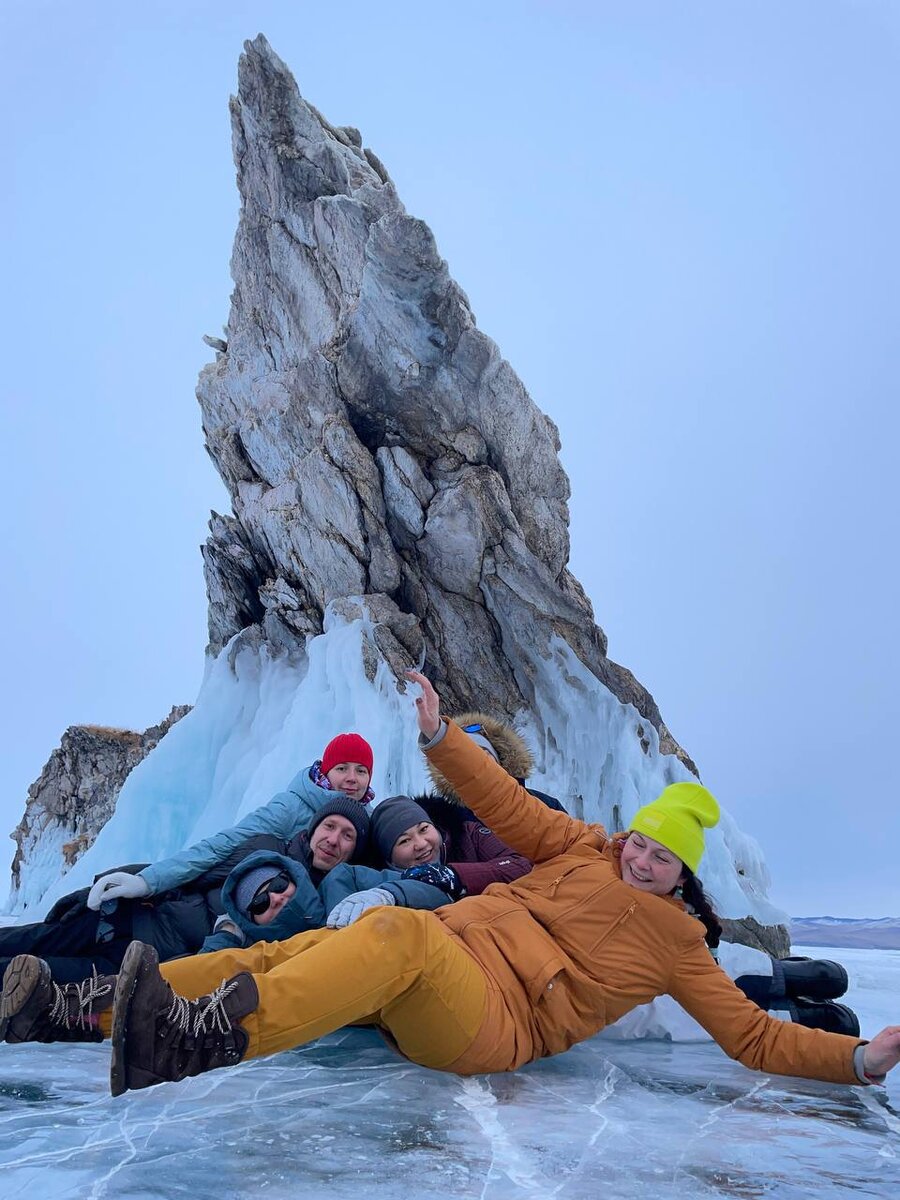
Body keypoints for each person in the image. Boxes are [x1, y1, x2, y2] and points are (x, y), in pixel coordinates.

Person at [3, 671, 899, 1098]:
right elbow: (506, 802)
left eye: (660, 859)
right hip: (437, 973)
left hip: (490, 1022)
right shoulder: (583, 846)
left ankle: (193, 1040)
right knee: (295, 948)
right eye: (639, 845)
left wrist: (855, 1062)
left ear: (679, 877)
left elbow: (748, 1037)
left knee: (397, 934)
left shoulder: (679, 943)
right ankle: (78, 1010)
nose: (637, 859)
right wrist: (440, 738)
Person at [0, 734, 375, 985]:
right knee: (34, 940)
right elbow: (217, 851)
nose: (351, 778)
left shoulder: (350, 856)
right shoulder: (283, 818)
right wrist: (148, 880)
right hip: (144, 914)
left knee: (44, 974)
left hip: (165, 952)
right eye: (342, 768)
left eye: (361, 771)